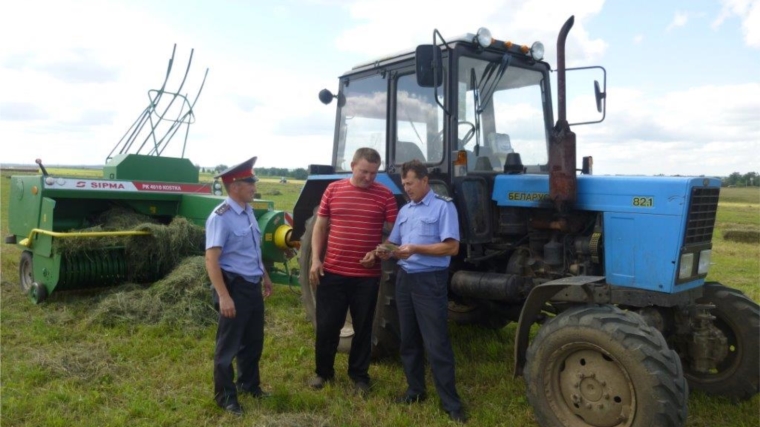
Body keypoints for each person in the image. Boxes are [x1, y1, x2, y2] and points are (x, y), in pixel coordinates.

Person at [376, 159, 467, 423]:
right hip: (405, 279)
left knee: (436, 342)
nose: (407, 189)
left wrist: (415, 248)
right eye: (404, 184)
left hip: (430, 281)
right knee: (409, 340)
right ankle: (415, 390)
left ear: (425, 181)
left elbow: (451, 247)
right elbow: (394, 242)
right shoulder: (405, 211)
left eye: (410, 183)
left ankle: (451, 403)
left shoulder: (443, 208)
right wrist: (383, 251)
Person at [308, 147, 398, 396]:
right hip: (333, 272)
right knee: (327, 325)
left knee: (363, 327)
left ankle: (359, 376)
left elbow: (396, 234)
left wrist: (380, 250)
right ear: (352, 166)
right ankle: (323, 372)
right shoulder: (333, 190)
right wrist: (316, 259)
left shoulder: (386, 195)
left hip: (366, 278)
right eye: (364, 171)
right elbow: (320, 226)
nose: (369, 177)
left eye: (374, 173)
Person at [205, 156, 274, 416]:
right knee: (228, 346)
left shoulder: (246, 212)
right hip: (233, 287)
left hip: (252, 285)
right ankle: (225, 397)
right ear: (234, 186)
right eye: (250, 183)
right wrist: (224, 296)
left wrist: (264, 275)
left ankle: (248, 384)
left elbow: (251, 250)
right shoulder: (220, 217)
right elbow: (211, 260)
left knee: (253, 341)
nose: (254, 187)